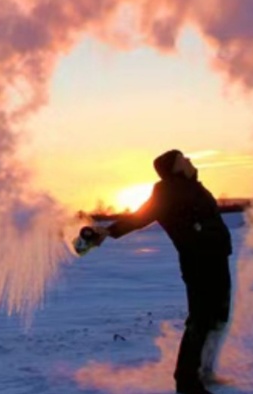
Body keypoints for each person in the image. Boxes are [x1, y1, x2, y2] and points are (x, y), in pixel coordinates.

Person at [94, 149, 233, 394]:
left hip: (217, 259)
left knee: (218, 318)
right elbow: (140, 217)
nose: (189, 160)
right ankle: (187, 382)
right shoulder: (167, 191)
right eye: (183, 159)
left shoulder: (194, 187)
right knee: (200, 321)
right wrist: (109, 231)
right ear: (175, 168)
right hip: (198, 263)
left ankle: (204, 371)